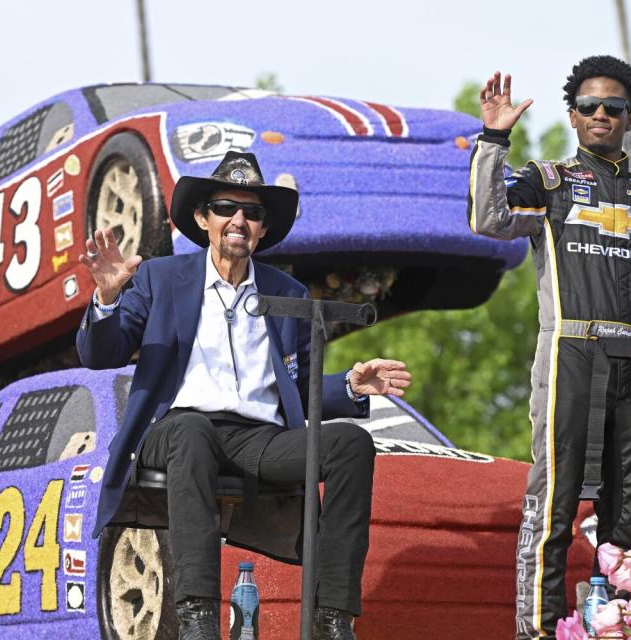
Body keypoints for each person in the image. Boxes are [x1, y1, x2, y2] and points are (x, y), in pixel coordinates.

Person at [77, 151, 411, 640]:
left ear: (261, 229)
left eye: (252, 213)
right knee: (192, 430)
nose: (239, 220)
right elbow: (99, 352)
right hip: (178, 428)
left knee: (350, 444)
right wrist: (106, 298)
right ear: (202, 218)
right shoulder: (161, 278)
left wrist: (350, 385)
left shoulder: (288, 293)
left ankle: (332, 617)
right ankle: (199, 618)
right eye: (225, 208)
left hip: (259, 438)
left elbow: (295, 390)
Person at [467, 55, 631, 638]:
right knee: (555, 505)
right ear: (572, 116)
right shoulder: (551, 181)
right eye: (589, 106)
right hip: (569, 351)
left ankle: (620, 624)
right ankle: (538, 630)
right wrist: (494, 136)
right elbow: (488, 217)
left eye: (613, 107)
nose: (601, 114)